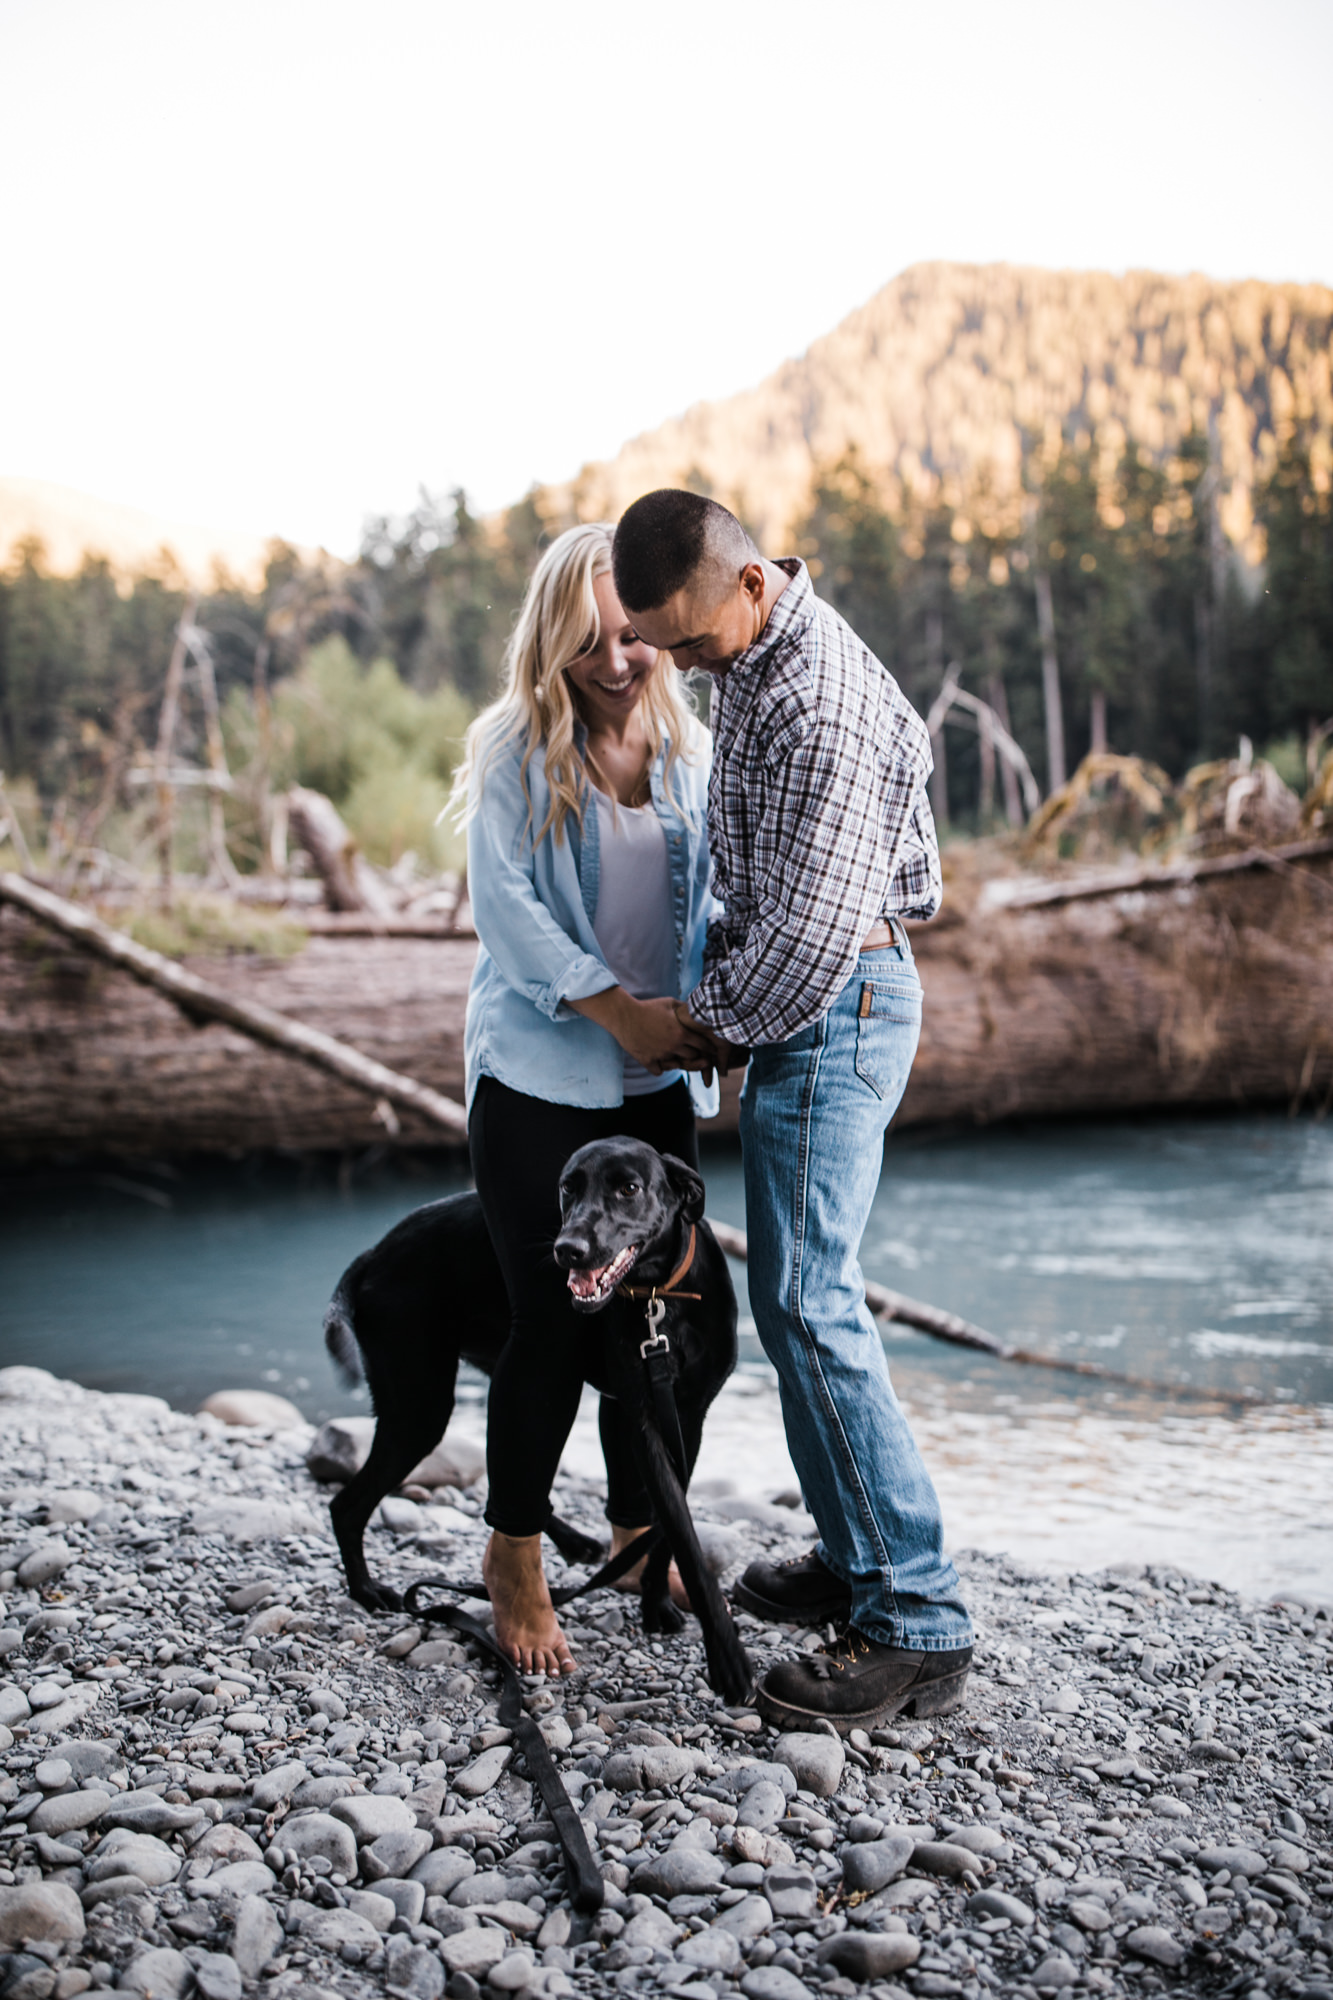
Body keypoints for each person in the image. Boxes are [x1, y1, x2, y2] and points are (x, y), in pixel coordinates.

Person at [611, 491, 973, 1729]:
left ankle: (915, 1616)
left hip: (837, 1001)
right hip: (825, 991)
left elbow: (814, 931)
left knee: (812, 1300)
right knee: (793, 1297)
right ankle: (855, 1550)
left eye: (693, 643)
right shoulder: (757, 654)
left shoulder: (810, 697)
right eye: (666, 648)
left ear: (751, 584)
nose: (683, 666)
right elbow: (799, 862)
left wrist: (701, 1020)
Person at [455, 522, 718, 1677]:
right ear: (550, 644)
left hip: (656, 1081)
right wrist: (616, 1008)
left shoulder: (688, 749)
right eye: (588, 641)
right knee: (555, 1325)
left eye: (633, 636)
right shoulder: (513, 748)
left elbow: (715, 902)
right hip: (538, 1078)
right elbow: (507, 909)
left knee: (650, 1331)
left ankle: (632, 1522)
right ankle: (513, 1550)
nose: (616, 661)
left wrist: (719, 1012)